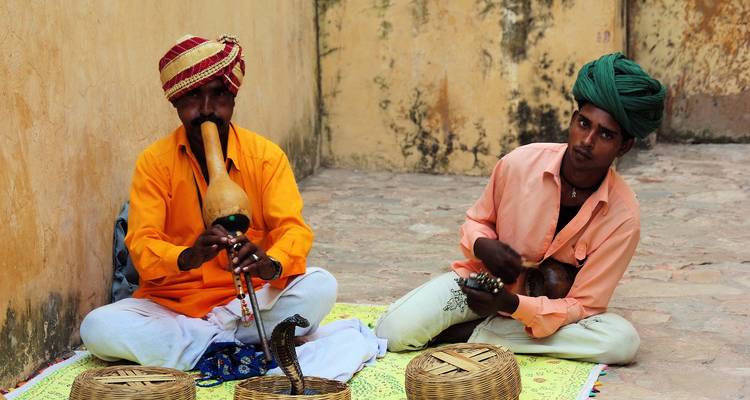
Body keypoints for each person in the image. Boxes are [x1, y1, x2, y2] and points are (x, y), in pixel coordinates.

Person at [376, 53, 665, 365]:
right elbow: (477, 222)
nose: (587, 140)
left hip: (547, 314)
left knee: (621, 343)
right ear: (572, 120)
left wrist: (513, 305)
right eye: (583, 124)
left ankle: (475, 335)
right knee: (392, 332)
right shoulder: (519, 163)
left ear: (624, 146)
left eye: (605, 134)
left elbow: (584, 306)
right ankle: (497, 331)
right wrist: (484, 246)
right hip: (480, 288)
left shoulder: (623, 217)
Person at [80, 35, 337, 370]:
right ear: (175, 103)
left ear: (232, 98)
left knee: (321, 286)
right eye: (192, 97)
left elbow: (294, 232)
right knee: (97, 328)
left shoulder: (265, 157)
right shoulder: (155, 163)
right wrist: (190, 256)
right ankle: (239, 346)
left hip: (248, 303)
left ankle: (204, 349)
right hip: (173, 308)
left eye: (218, 94)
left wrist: (268, 263)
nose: (205, 110)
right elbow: (142, 246)